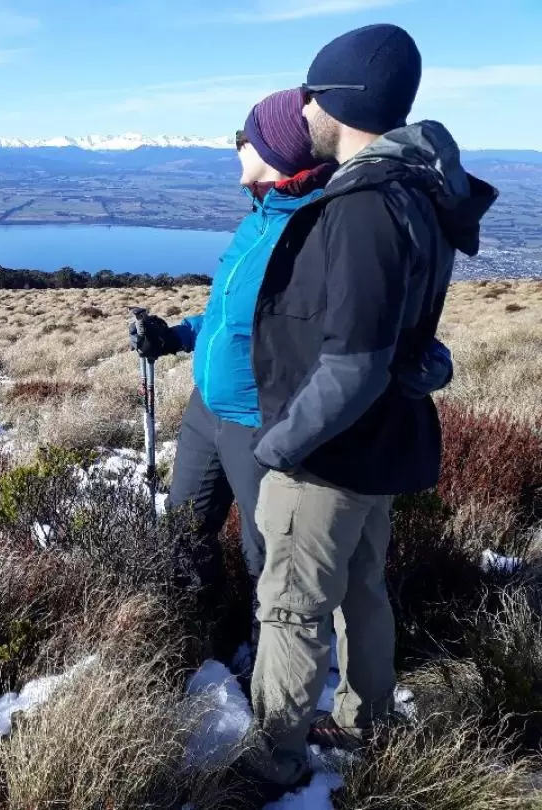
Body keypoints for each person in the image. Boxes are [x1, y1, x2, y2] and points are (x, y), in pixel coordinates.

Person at [237, 23, 498, 800]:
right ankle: (365, 719)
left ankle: (272, 758)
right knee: (362, 590)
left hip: (329, 455)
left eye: (312, 91)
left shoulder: (364, 205)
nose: (303, 105)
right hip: (379, 444)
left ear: (340, 98)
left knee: (289, 610)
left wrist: (278, 446)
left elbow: (351, 365)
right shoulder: (418, 189)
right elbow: (395, 341)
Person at [131, 87, 332, 658]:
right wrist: (174, 335)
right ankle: (202, 636)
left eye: (242, 138)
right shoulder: (259, 219)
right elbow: (229, 316)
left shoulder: (310, 234)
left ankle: (266, 659)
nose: (235, 147)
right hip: (206, 410)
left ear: (272, 148)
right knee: (185, 530)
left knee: (263, 552)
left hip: (260, 423)